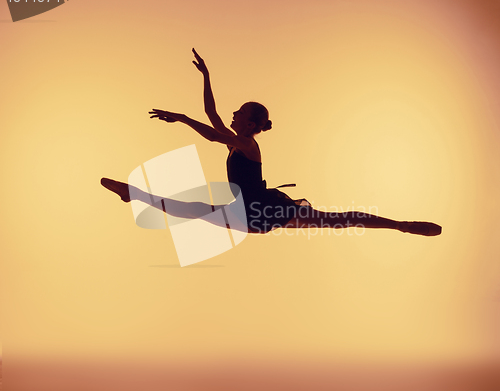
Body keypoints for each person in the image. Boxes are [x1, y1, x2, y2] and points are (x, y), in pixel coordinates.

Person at [102, 49, 441, 237]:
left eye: (239, 112)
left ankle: (401, 225)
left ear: (250, 124)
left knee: (335, 219)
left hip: (263, 209)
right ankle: (133, 194)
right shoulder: (235, 142)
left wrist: (182, 118)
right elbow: (211, 114)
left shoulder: (247, 146)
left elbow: (210, 130)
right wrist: (206, 76)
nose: (232, 113)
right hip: (249, 213)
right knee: (190, 210)